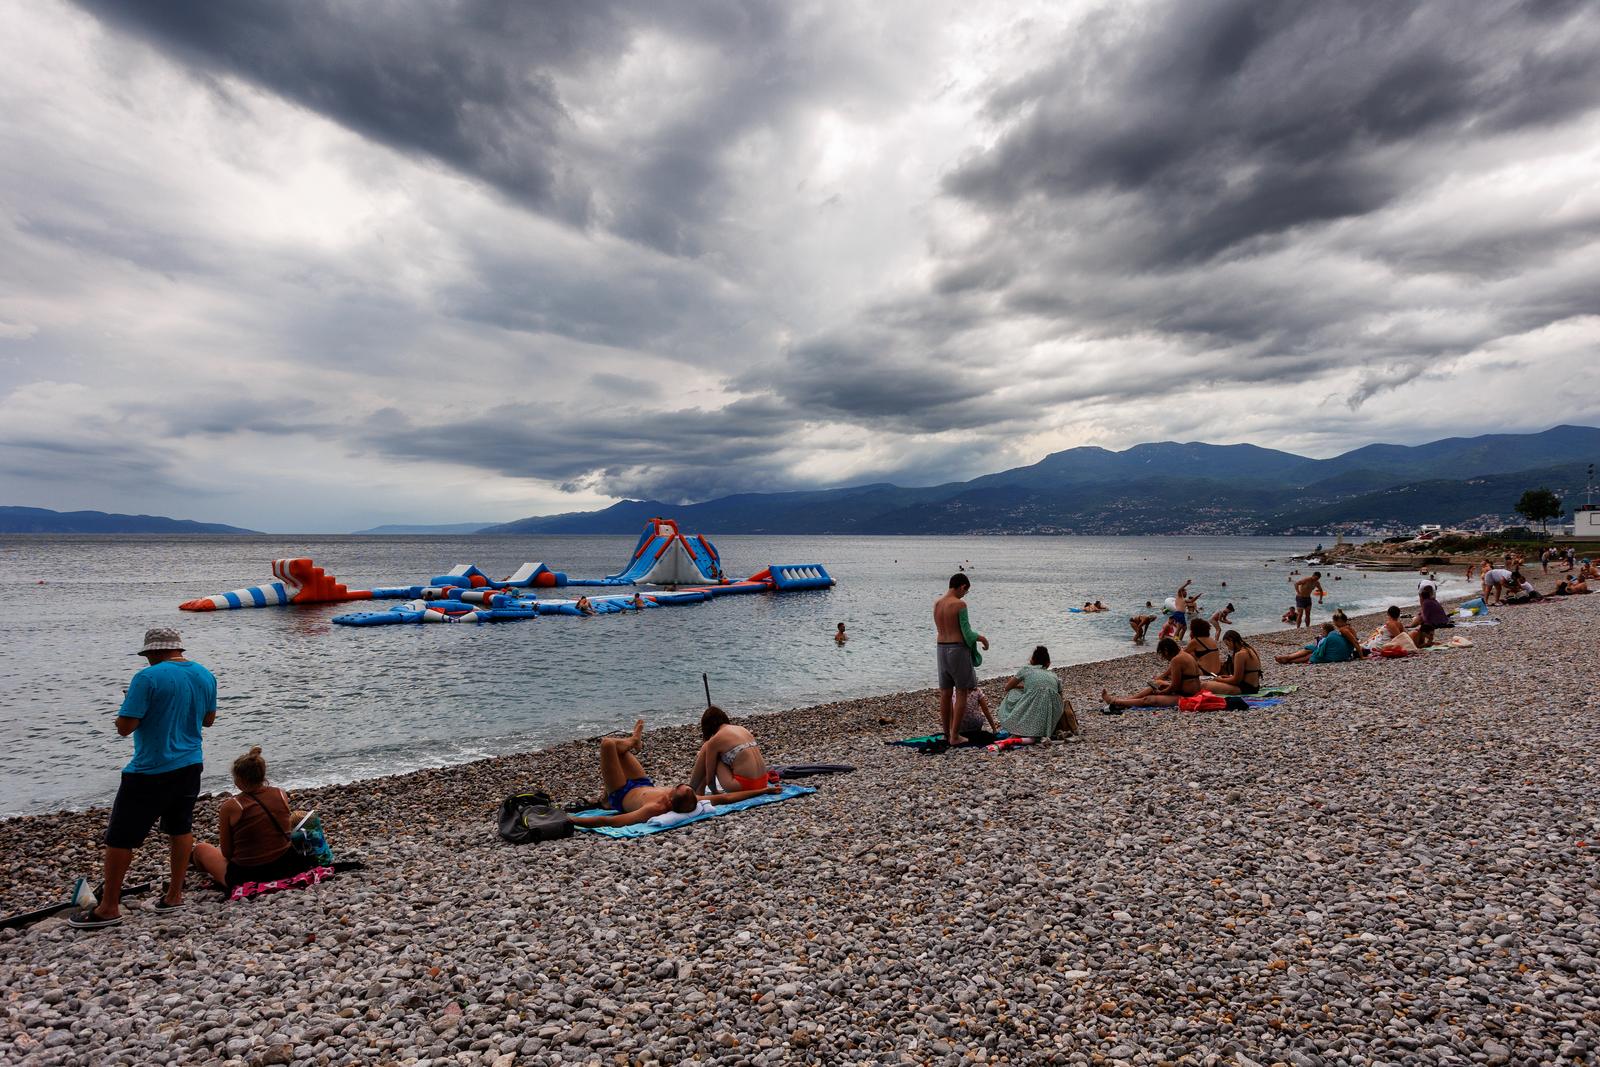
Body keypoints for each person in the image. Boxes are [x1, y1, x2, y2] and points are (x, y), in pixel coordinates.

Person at [69, 628, 217, 929]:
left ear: (152, 653)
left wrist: (129, 706)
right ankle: (174, 895)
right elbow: (208, 720)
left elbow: (125, 727)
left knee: (121, 837)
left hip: (150, 768)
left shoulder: (146, 678)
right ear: (178, 649)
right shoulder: (205, 675)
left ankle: (109, 907)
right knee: (180, 827)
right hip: (190, 763)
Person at [570, 720, 777, 829]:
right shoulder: (688, 799)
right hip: (642, 782)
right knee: (618, 751)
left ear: (670, 799)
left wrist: (573, 820)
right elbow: (726, 797)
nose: (679, 785)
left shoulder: (654, 808)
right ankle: (632, 743)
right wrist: (763, 790)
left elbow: (612, 822)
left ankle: (633, 742)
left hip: (621, 793)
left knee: (608, 745)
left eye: (677, 787)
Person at [192, 748, 314, 890]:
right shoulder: (280, 794)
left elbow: (227, 852)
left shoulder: (231, 806)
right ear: (262, 775)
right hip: (285, 865)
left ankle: (193, 864)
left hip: (248, 874)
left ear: (239, 780)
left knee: (201, 849)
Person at [935, 573, 988, 746]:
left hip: (941, 648)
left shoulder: (937, 604)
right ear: (963, 586)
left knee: (945, 692)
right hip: (957, 649)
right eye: (966, 591)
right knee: (962, 691)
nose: (965, 595)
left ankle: (946, 733)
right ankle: (955, 735)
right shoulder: (959, 604)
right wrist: (982, 638)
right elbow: (966, 632)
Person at [691, 706, 773, 793]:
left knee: (706, 748)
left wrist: (715, 792)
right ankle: (697, 789)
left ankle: (691, 788)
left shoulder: (715, 740)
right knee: (713, 754)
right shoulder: (742, 729)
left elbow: (710, 780)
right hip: (763, 782)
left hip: (745, 786)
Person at [1101, 638, 1200, 709]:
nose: (1164, 659)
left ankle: (1115, 701)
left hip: (1187, 696)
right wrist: (1162, 686)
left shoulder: (1176, 660)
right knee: (1157, 684)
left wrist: (1163, 692)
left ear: (1165, 651)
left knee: (1149, 700)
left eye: (1162, 655)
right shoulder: (1185, 655)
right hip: (1191, 692)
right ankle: (1126, 701)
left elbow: (1175, 686)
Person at [997, 646, 1073, 738]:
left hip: (1033, 706)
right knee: (1042, 697)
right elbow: (1060, 698)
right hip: (1051, 718)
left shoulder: (1026, 669)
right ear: (1048, 663)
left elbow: (1007, 687)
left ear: (1032, 660)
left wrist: (1021, 687)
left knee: (1013, 692)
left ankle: (1016, 722)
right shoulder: (1054, 675)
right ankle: (1041, 726)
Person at [1201, 631, 1262, 695]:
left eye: (1227, 644)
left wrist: (1219, 679)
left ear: (1231, 640)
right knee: (1211, 683)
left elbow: (1236, 680)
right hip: (1254, 687)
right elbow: (1242, 676)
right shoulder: (1250, 649)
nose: (1228, 647)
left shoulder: (1240, 654)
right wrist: (1228, 677)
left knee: (1205, 685)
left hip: (1246, 689)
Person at [1275, 622, 1355, 665]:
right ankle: (1288, 659)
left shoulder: (1329, 638)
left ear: (1326, 630)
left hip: (1334, 656)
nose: (1321, 632)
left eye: (1322, 630)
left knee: (1311, 652)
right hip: (1339, 655)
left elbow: (1320, 650)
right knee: (1311, 649)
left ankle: (1288, 659)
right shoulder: (1334, 635)